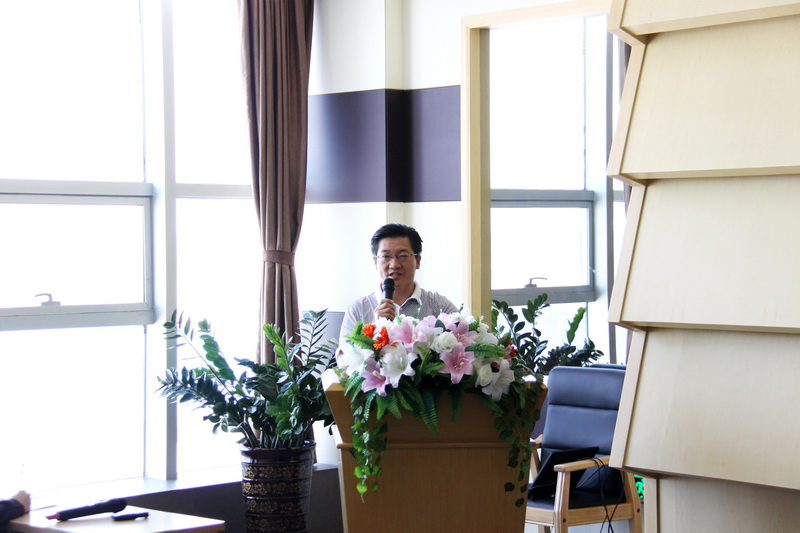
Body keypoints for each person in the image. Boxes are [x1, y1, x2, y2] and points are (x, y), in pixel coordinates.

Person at [339, 223, 458, 342]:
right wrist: (377, 328)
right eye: (386, 256)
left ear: (417, 261)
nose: (394, 265)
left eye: (403, 256)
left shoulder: (440, 307)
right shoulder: (358, 311)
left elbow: (463, 347)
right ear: (375, 261)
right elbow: (346, 353)